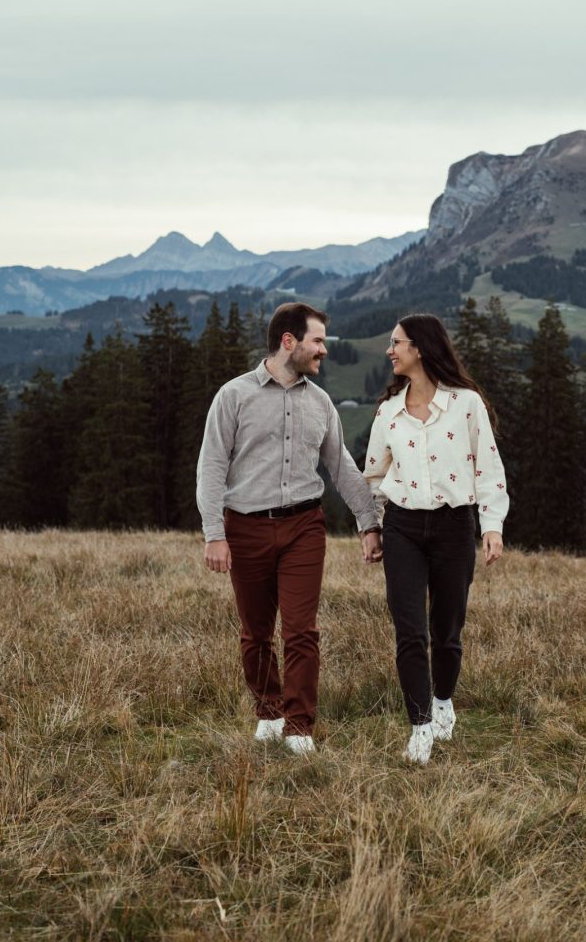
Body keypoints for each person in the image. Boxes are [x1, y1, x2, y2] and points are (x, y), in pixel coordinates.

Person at [197, 301, 383, 755]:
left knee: (301, 630)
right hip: (245, 528)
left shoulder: (320, 403)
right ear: (289, 342)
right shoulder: (233, 396)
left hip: (304, 526)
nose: (323, 350)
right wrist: (214, 534)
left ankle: (299, 727)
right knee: (256, 631)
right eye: (317, 341)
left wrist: (368, 523)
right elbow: (211, 468)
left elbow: (342, 467)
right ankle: (268, 710)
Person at [363, 313, 508, 765]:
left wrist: (492, 525)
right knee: (409, 630)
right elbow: (373, 474)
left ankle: (443, 699)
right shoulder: (388, 412)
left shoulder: (466, 405)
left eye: (397, 343)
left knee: (447, 629)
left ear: (421, 348)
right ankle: (420, 726)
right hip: (403, 527)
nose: (390, 350)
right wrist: (372, 526)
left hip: (453, 527)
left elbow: (488, 467)